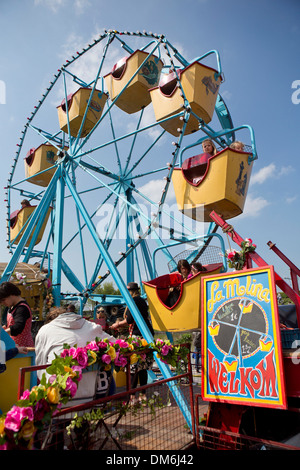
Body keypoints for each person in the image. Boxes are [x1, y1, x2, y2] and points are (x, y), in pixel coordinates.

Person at [35, 306, 117, 402]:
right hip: (90, 395)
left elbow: (40, 367)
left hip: (59, 398)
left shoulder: (45, 331)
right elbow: (116, 344)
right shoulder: (92, 327)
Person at [111, 282, 154, 405]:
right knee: (143, 367)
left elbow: (130, 320)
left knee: (133, 366)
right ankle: (143, 395)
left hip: (137, 336)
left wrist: (117, 324)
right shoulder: (141, 300)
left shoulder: (133, 301)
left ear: (129, 292)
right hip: (147, 334)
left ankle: (132, 397)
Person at [0, 282, 34, 347]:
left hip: (24, 347)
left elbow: (18, 327)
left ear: (12, 294)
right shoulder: (12, 307)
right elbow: (10, 324)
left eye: (3, 300)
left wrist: (2, 334)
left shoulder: (22, 308)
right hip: (15, 346)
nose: (2, 303)